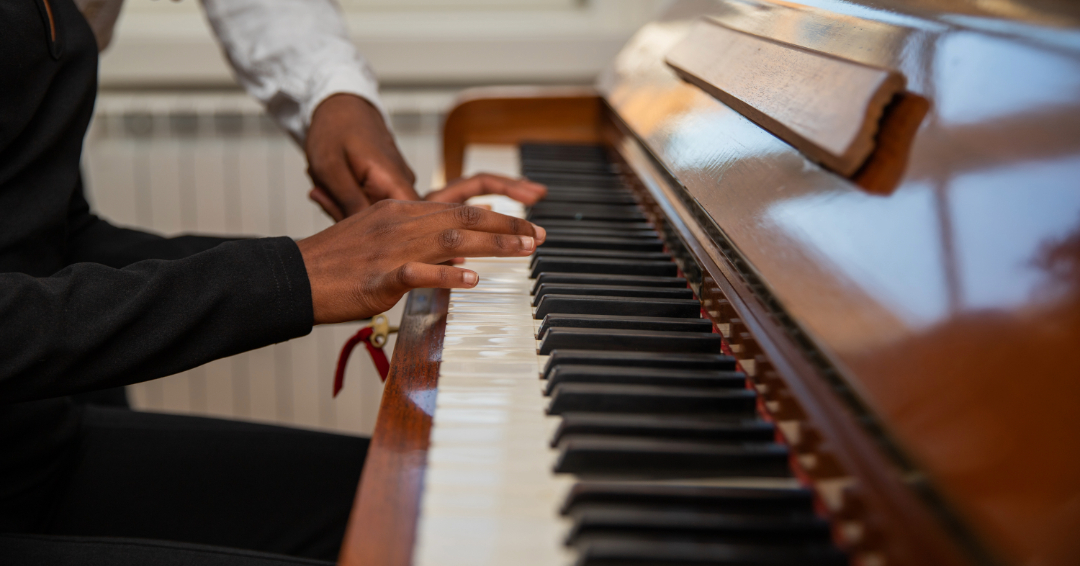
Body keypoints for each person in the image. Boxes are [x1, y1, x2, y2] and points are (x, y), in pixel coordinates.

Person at [0, 0, 546, 564]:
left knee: (462, 512)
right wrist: (293, 277)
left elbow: (56, 249)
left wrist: (368, 248)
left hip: (36, 448)